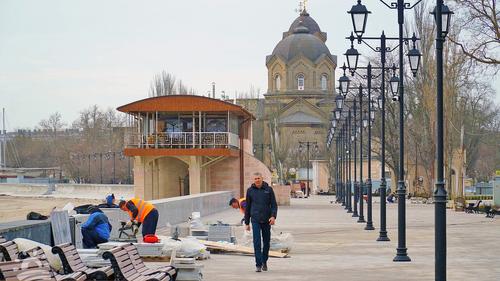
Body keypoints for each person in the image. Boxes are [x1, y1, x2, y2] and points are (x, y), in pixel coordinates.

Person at [244, 172, 278, 273]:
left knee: (266, 242)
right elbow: (248, 207)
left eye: (258, 178)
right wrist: (247, 222)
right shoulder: (250, 191)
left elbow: (274, 205)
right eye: (255, 179)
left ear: (262, 179)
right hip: (255, 220)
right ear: (253, 180)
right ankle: (258, 264)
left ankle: (264, 261)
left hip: (267, 220)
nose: (257, 180)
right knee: (257, 242)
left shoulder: (268, 190)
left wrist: (273, 216)